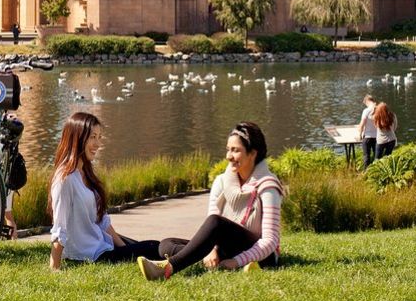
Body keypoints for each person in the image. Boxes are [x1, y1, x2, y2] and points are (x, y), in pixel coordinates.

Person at [138, 122, 283, 281]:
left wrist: (236, 261)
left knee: (216, 222)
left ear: (252, 153)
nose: (229, 156)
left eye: (235, 150)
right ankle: (212, 261)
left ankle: (168, 268)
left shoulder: (268, 186)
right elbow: (212, 225)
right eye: (228, 149)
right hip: (224, 248)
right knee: (165, 244)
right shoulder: (222, 181)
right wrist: (211, 251)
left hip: (262, 254)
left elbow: (270, 241)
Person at [49, 112, 161, 271]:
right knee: (155, 247)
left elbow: (101, 220)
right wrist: (54, 267)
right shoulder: (65, 179)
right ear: (77, 137)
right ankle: (199, 254)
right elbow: (60, 228)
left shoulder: (84, 173)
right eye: (92, 137)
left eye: (99, 137)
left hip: (101, 244)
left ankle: (200, 252)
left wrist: (124, 250)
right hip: (91, 254)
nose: (97, 144)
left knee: (152, 246)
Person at [358, 94, 378, 169]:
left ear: (367, 101)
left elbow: (362, 124)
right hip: (377, 137)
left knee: (366, 156)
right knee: (377, 156)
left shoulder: (366, 111)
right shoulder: (379, 110)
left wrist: (360, 135)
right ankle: (377, 171)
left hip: (368, 137)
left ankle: (366, 173)